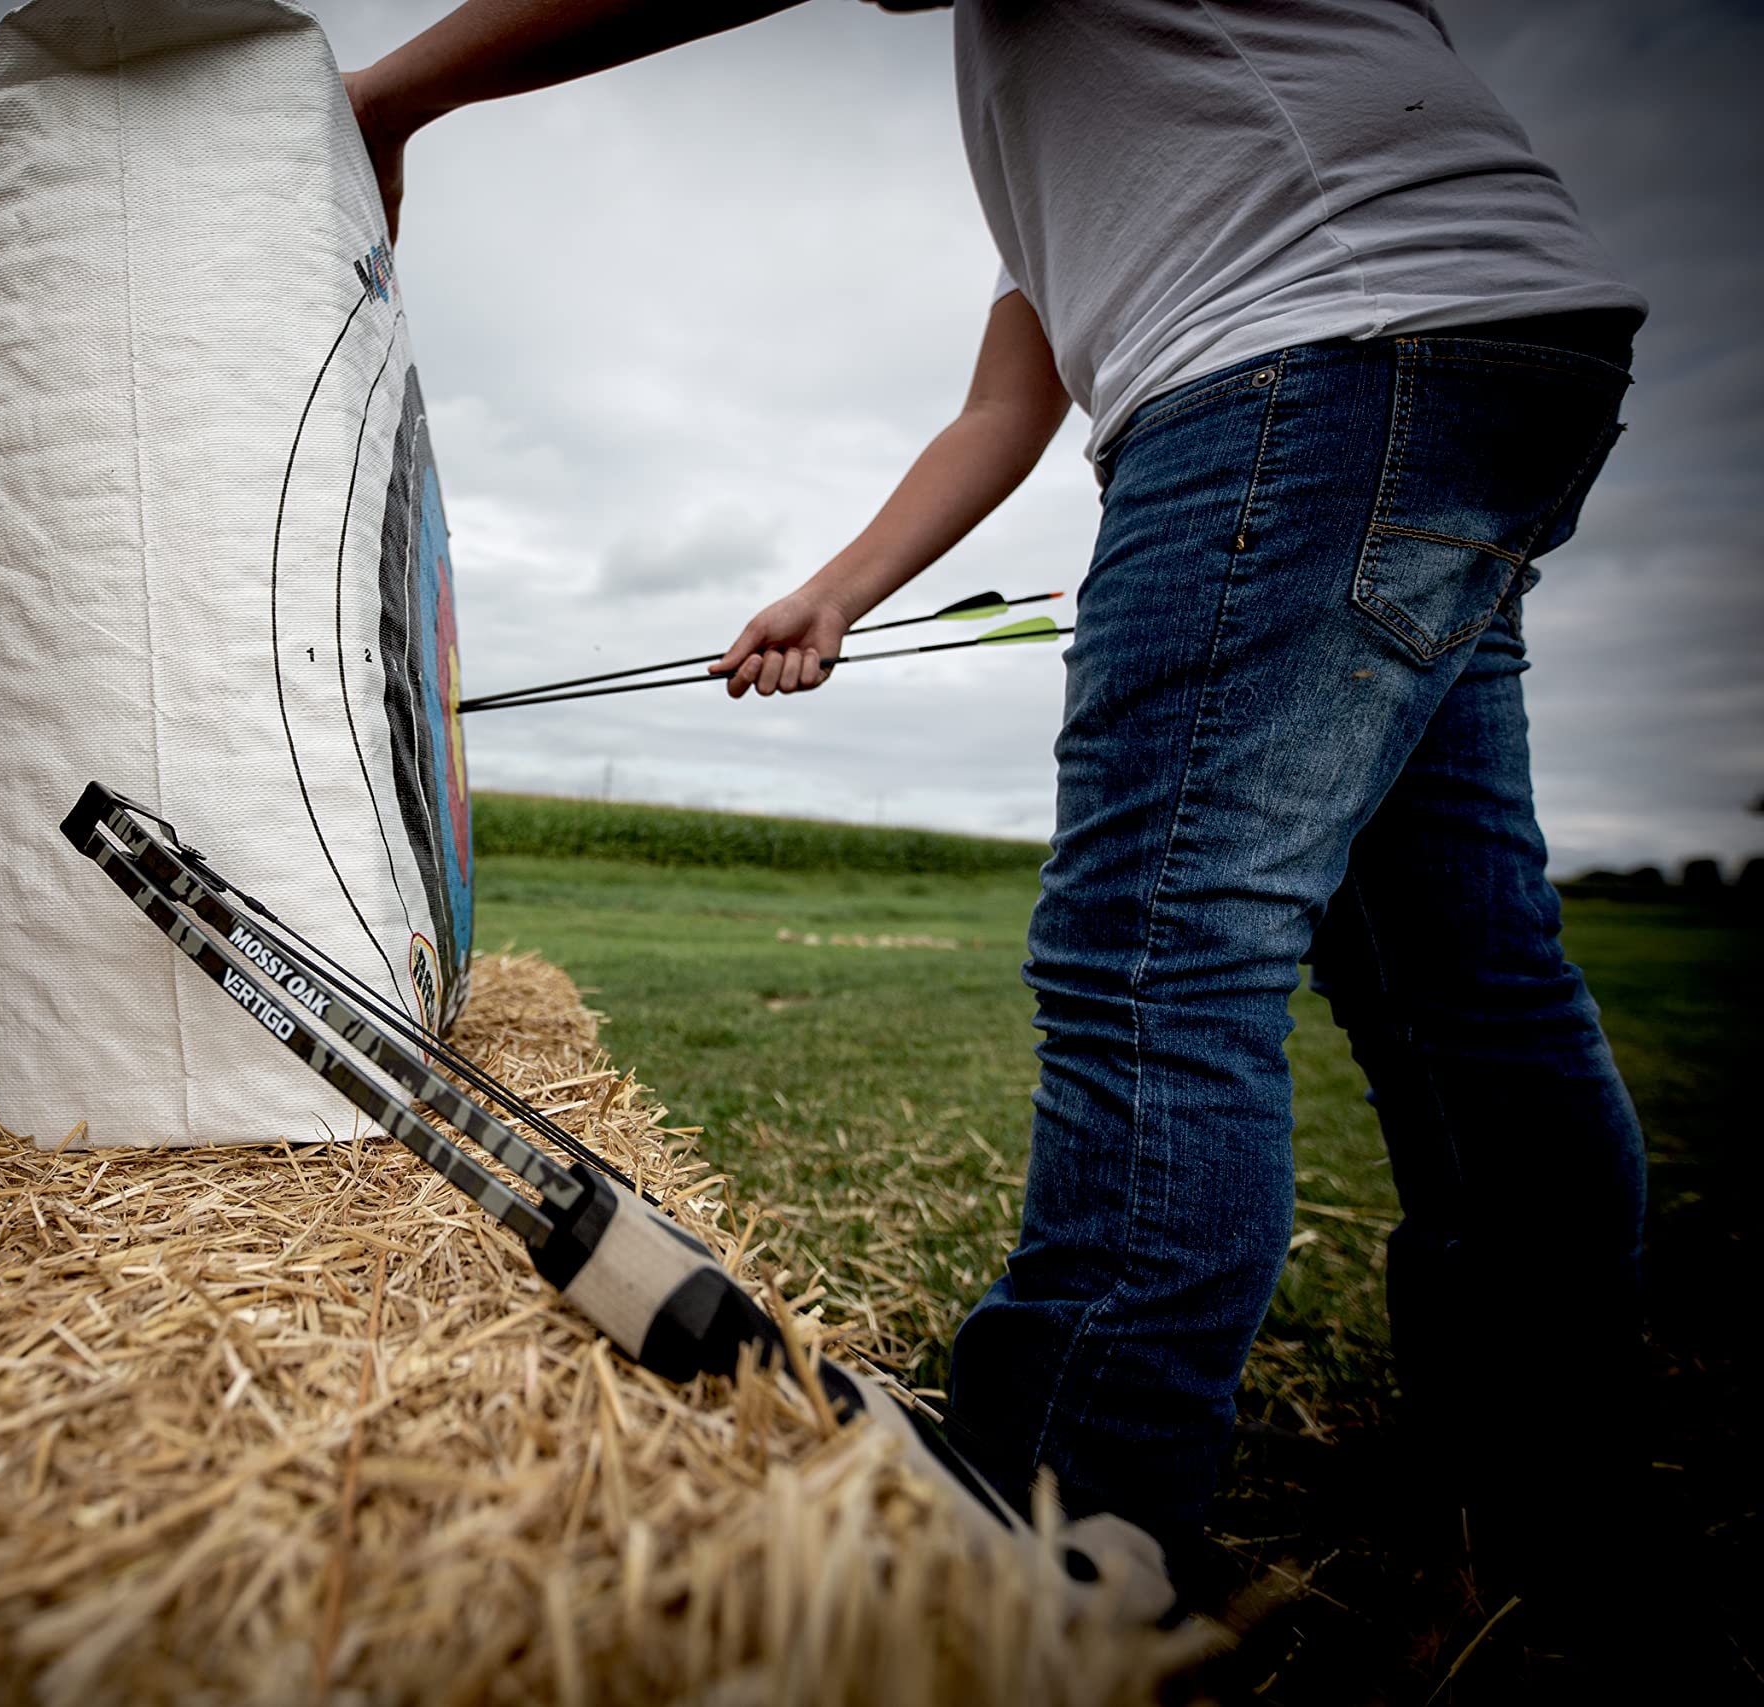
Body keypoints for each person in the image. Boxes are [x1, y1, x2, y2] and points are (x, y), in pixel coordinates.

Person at [345, 0, 1650, 1608]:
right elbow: (1006, 407)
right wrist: (832, 595)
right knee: (1465, 982)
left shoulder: (1217, 163)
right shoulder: (1139, 134)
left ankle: (1061, 1533)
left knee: (1156, 964)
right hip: (1491, 358)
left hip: (1306, 374)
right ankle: (1541, 1475)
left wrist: (396, 98)